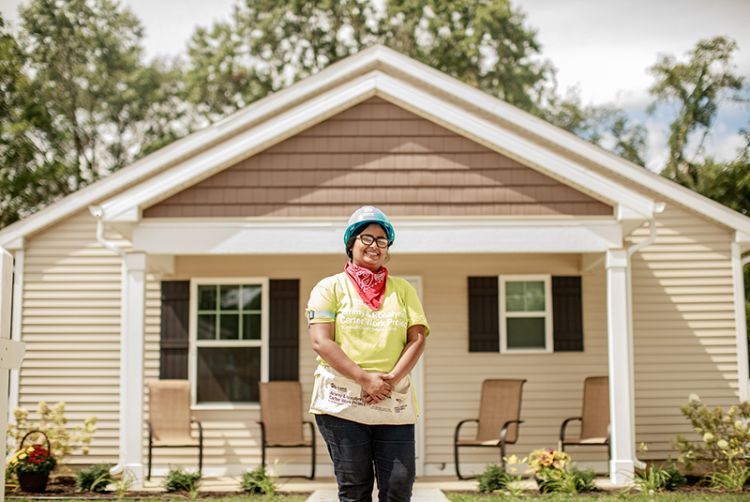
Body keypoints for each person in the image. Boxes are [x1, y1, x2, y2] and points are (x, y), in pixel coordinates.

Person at [306, 206, 429, 502]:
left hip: (392, 399)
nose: (375, 246)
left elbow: (417, 338)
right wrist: (364, 379)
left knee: (399, 485)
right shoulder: (329, 288)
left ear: (388, 250)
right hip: (342, 403)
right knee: (355, 488)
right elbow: (322, 342)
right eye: (367, 238)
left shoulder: (403, 290)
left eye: (382, 240)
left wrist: (387, 381)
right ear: (351, 243)